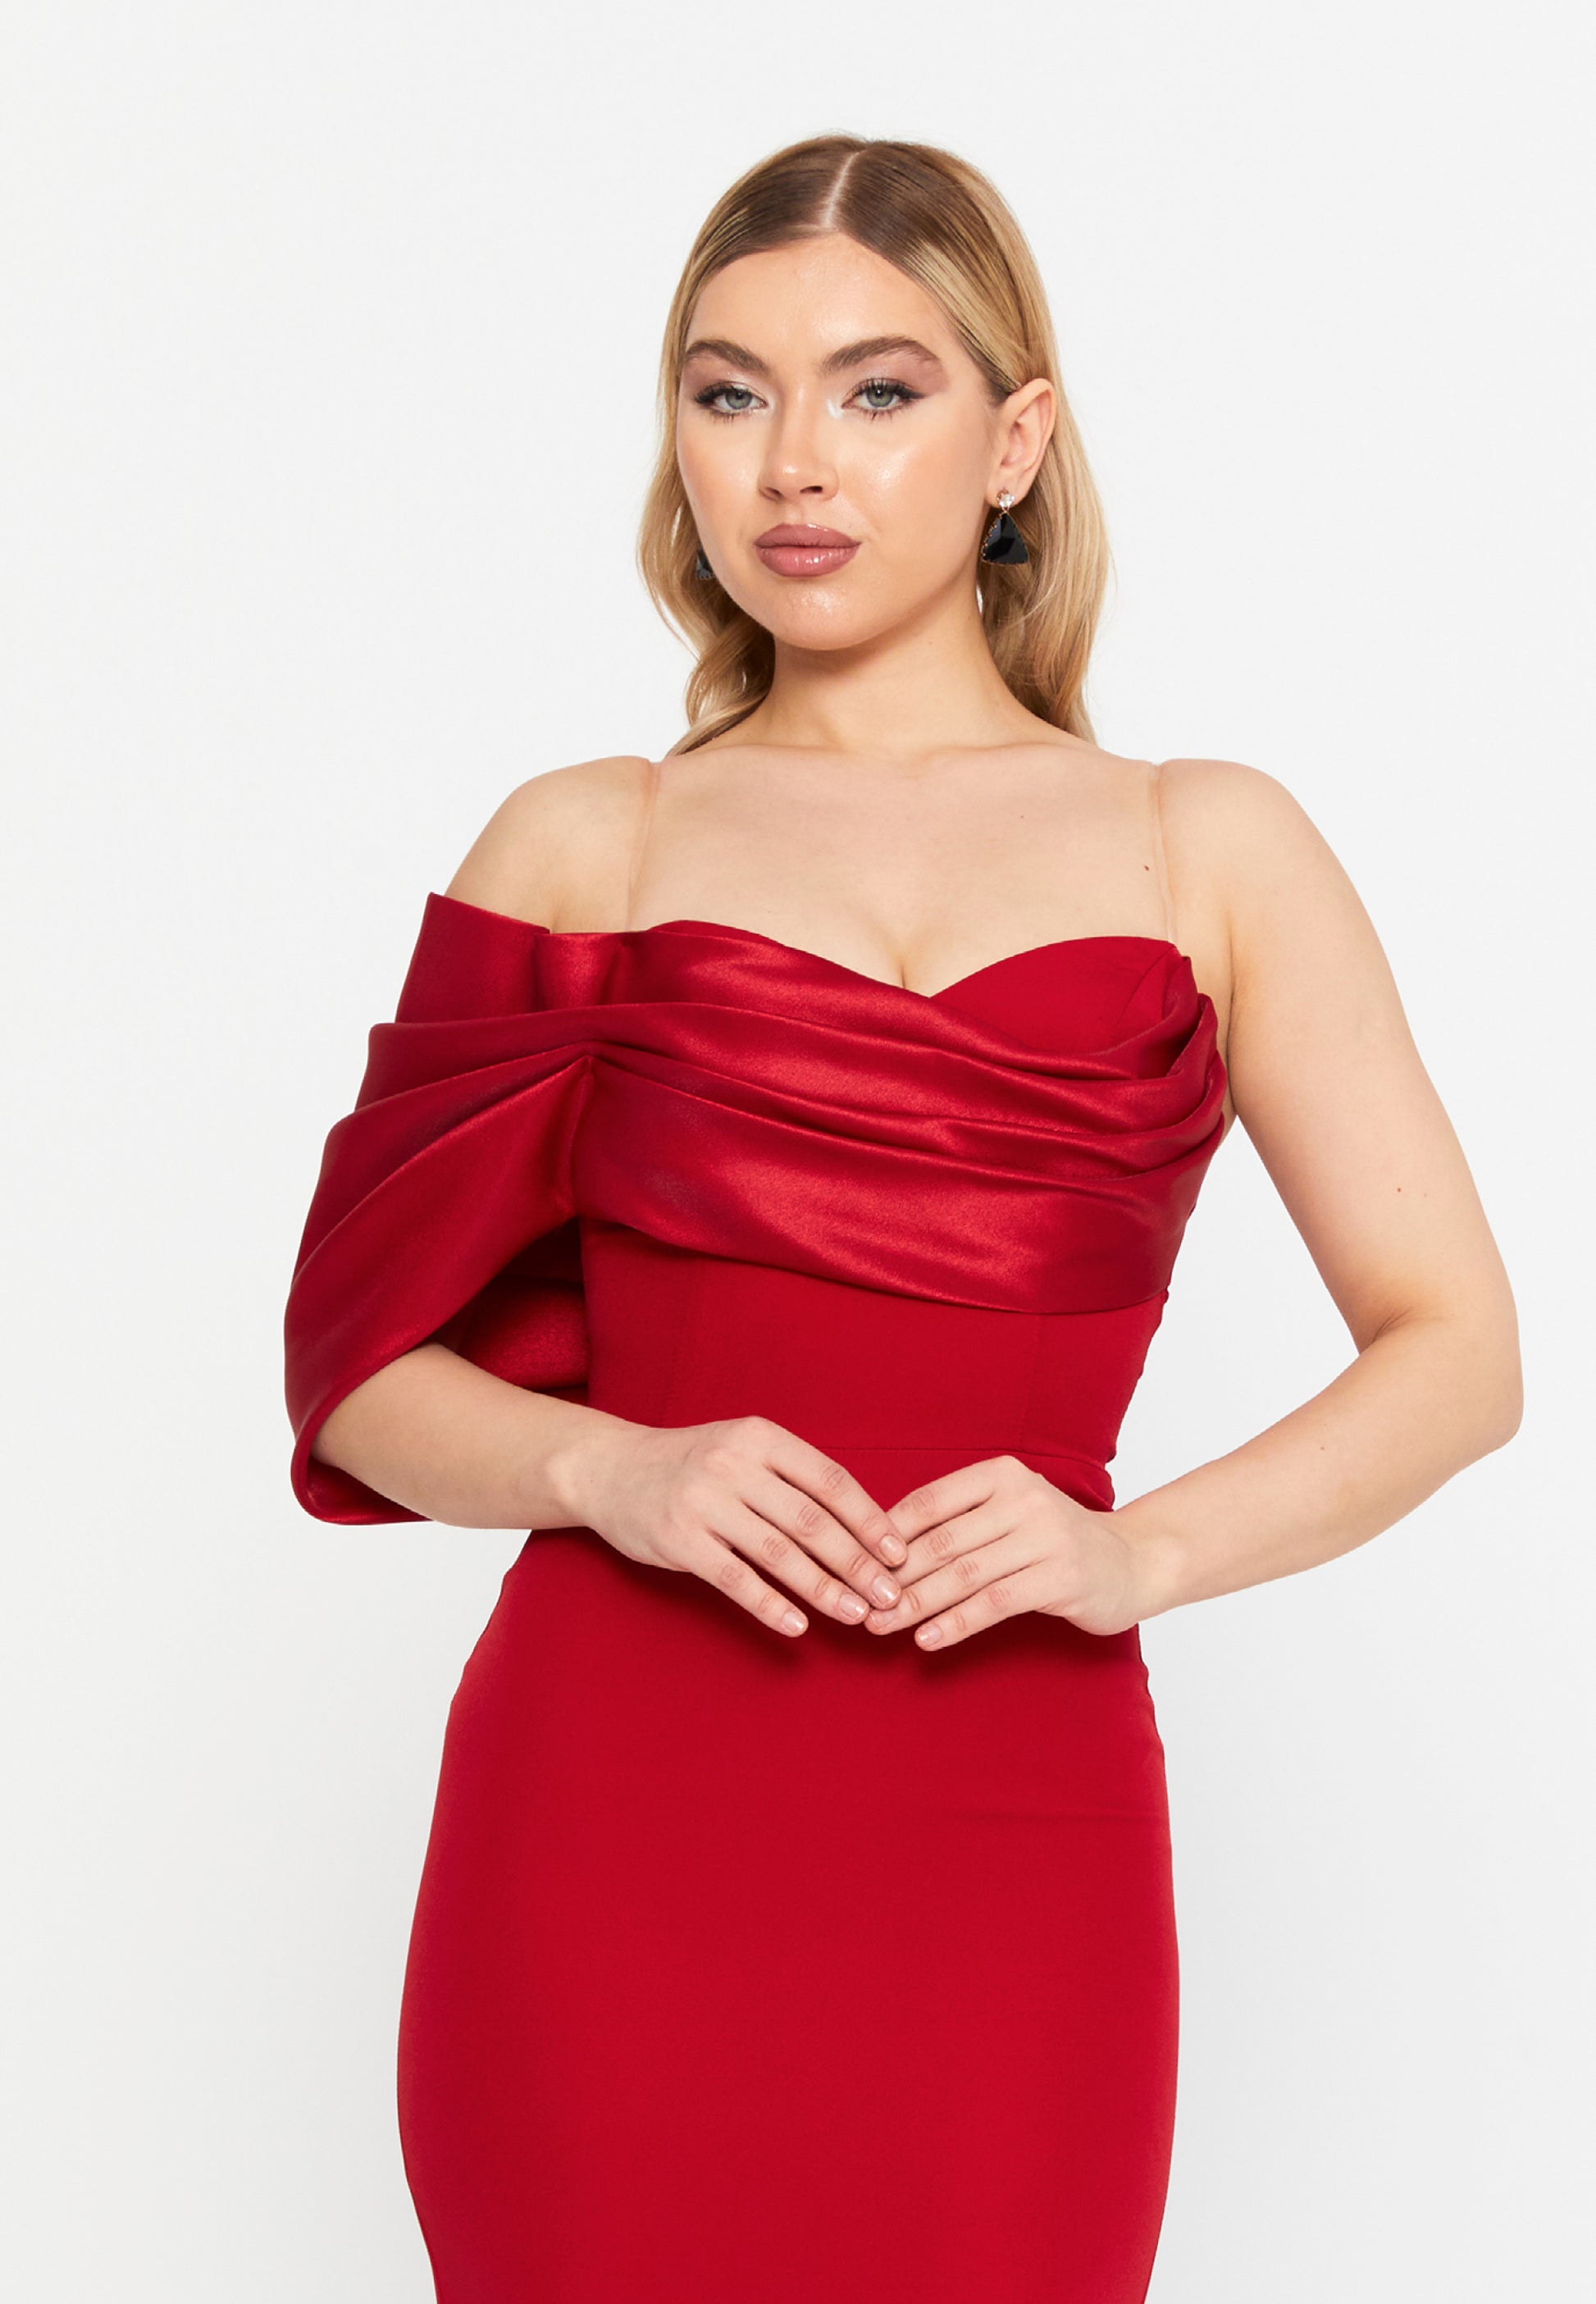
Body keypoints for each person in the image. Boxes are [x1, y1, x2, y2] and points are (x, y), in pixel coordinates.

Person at [282, 135, 1521, 2304]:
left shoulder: (1208, 844)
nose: (794, 462)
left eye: (877, 389)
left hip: (1013, 1811)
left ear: (1015, 439)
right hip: (607, 1813)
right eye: (728, 390)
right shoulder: (585, 838)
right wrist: (608, 1468)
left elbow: (1458, 1349)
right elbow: (358, 1373)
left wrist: (1140, 1551)